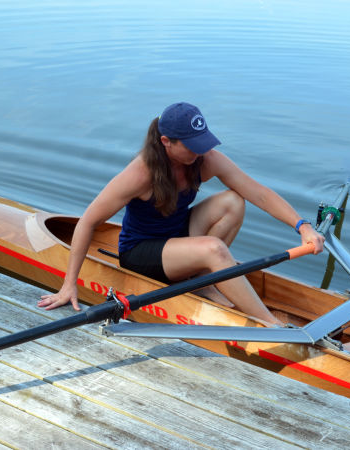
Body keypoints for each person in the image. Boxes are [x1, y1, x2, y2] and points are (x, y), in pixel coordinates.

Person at [38, 102, 325, 325]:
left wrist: (302, 227)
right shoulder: (141, 173)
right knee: (214, 249)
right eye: (191, 146)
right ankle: (269, 324)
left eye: (201, 142)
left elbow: (258, 192)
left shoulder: (204, 160)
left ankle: (202, 279)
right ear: (166, 141)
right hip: (141, 252)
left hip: (179, 237)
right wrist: (68, 285)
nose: (200, 152)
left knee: (234, 201)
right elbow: (88, 220)